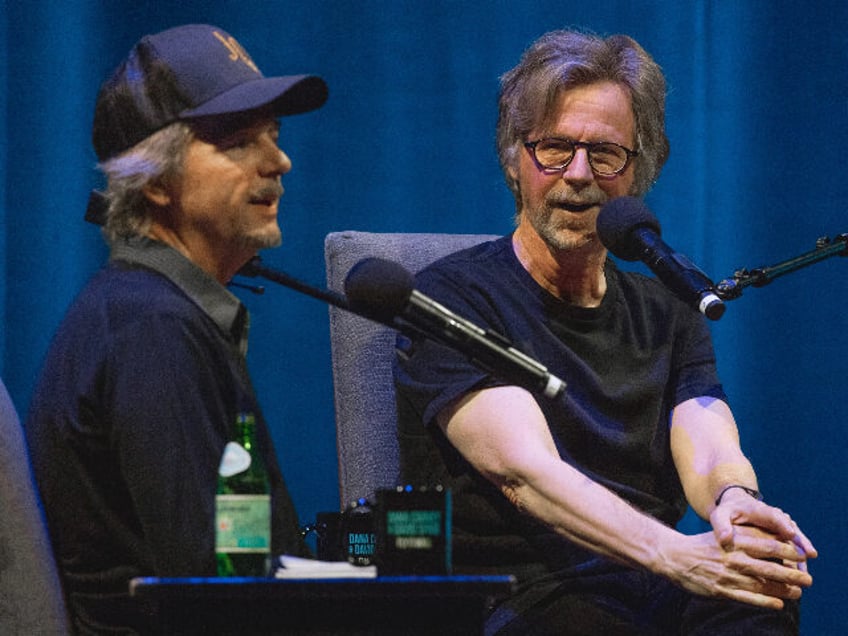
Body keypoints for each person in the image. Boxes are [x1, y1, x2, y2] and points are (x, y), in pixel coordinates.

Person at [394, 29, 817, 635]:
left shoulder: (668, 306)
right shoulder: (450, 300)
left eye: (606, 154)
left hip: (653, 581)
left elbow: (706, 433)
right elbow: (525, 473)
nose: (579, 174)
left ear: (638, 170)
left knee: (762, 599)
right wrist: (673, 553)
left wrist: (735, 507)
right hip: (525, 596)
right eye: (555, 148)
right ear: (516, 159)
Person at [25, 24, 328, 634]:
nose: (279, 160)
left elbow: (234, 563)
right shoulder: (152, 329)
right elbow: (211, 594)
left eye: (274, 135)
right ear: (155, 182)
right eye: (241, 142)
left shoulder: (154, 311)